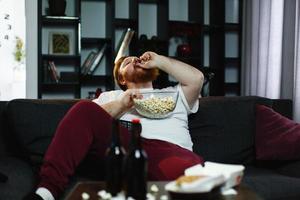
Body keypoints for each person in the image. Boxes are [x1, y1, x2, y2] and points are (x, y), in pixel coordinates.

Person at [24, 51, 205, 200]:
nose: (135, 60)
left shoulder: (173, 94)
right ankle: (46, 192)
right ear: (122, 79)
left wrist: (160, 60)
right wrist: (122, 105)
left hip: (172, 152)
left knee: (190, 174)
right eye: (127, 62)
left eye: (138, 59)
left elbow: (197, 79)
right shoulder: (111, 97)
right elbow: (83, 123)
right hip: (127, 150)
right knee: (84, 108)